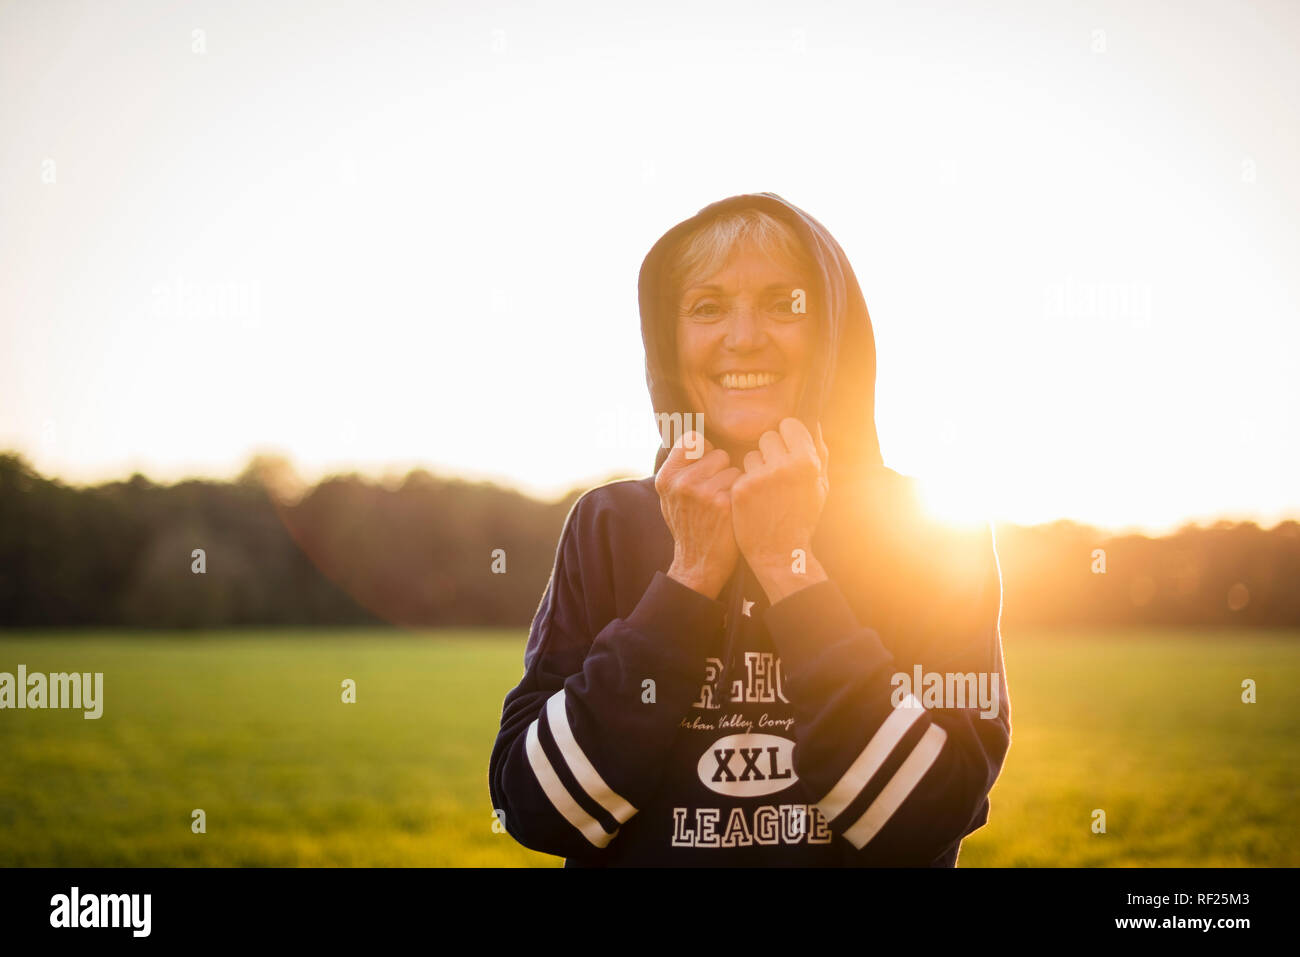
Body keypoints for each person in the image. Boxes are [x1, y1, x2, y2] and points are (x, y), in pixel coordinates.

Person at [487, 192, 1010, 866]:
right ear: (668, 341)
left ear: (831, 332)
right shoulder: (609, 524)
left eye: (781, 303)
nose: (742, 336)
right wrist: (688, 579)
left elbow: (924, 815)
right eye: (706, 307)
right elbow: (536, 807)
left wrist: (789, 565)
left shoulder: (929, 531)